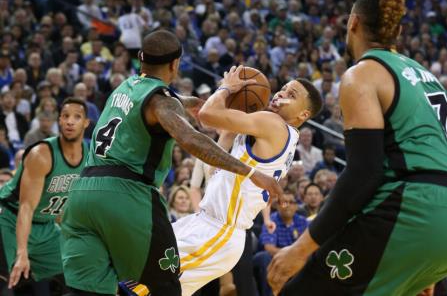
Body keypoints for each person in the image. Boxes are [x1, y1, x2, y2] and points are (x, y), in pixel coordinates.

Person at [60, 30, 282, 296]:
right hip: (124, 196)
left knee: (87, 290)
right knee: (164, 285)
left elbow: (171, 103)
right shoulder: (160, 102)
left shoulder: (126, 86)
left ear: (142, 60)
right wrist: (250, 171)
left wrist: (214, 97)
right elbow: (190, 139)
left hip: (82, 195)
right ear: (175, 64)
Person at [267, 0, 447, 295]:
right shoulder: (429, 79)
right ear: (396, 32)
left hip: (414, 211)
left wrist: (299, 249)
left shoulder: (363, 73)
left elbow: (363, 173)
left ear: (352, 22)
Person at [173, 65, 323, 296]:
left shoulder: (272, 124)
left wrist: (226, 88)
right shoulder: (274, 132)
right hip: (208, 225)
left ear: (303, 115)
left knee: (144, 278)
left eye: (291, 95)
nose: (281, 94)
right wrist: (231, 122)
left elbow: (206, 116)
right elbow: (215, 159)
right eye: (282, 89)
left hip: (217, 231)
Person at [0, 97, 89, 295]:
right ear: (59, 121)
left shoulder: (89, 157)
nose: (69, 121)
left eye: (76, 117)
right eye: (65, 116)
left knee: (77, 276)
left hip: (46, 228)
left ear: (86, 123)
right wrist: (22, 251)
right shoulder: (42, 154)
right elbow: (26, 207)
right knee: (6, 284)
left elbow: (65, 207)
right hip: (9, 219)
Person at [253, 191, 309, 296]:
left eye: (291, 202)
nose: (287, 205)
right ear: (277, 206)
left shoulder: (303, 221)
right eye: (284, 202)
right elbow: (269, 248)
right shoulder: (271, 220)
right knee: (264, 257)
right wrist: (292, 255)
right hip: (274, 257)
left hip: (296, 256)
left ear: (296, 206)